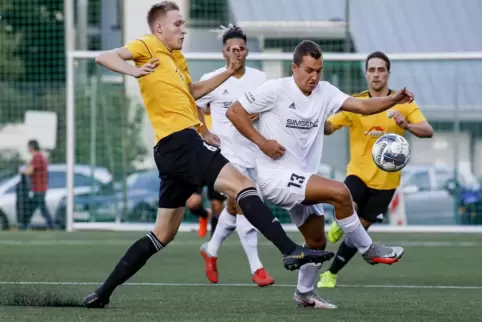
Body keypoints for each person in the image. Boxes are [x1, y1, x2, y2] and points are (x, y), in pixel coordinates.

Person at [83, 2, 333, 309]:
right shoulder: (147, 45)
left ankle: (102, 292)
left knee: (162, 233)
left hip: (171, 150)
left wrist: (229, 72)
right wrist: (133, 69)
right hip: (181, 143)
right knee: (243, 186)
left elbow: (193, 92)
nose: (183, 29)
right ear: (159, 28)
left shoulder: (177, 59)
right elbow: (103, 56)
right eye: (178, 24)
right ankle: (289, 249)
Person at [226, 40, 409, 309]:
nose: (314, 77)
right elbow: (235, 112)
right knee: (340, 192)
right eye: (309, 70)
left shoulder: (325, 92)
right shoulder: (276, 89)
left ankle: (304, 294)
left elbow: (362, 106)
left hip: (300, 177)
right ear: (295, 68)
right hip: (275, 176)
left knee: (316, 240)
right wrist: (262, 142)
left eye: (319, 71)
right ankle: (368, 250)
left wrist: (393, 99)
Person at [318, 51, 434, 288]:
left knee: (358, 232)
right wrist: (316, 121)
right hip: (358, 174)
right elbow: (330, 127)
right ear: (366, 73)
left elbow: (427, 130)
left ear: (388, 74)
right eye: (372, 70)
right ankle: (339, 222)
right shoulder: (356, 103)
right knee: (347, 204)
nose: (376, 74)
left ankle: (330, 274)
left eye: (381, 70)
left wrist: (407, 124)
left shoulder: (405, 104)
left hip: (386, 183)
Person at [196, 24, 274, 287]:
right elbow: (194, 104)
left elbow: (272, 108)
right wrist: (204, 131)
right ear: (224, 53)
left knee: (233, 206)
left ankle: (212, 249)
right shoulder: (214, 77)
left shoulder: (260, 79)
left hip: (254, 154)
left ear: (247, 52)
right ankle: (257, 267)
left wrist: (260, 114)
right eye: (231, 49)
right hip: (226, 156)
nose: (236, 53)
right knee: (246, 205)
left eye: (240, 49)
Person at [185, 106, 225, 239]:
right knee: (192, 202)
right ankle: (203, 215)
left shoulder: (220, 115)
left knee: (217, 206)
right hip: (198, 163)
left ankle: (213, 243)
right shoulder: (194, 116)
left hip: (216, 162)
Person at [21, 140, 54, 230]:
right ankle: (24, 226)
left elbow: (29, 171)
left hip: (39, 188)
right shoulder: (39, 157)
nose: (27, 149)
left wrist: (21, 171)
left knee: (41, 209)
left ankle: (52, 226)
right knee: (32, 208)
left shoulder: (37, 157)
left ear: (32, 147)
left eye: (28, 147)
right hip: (38, 188)